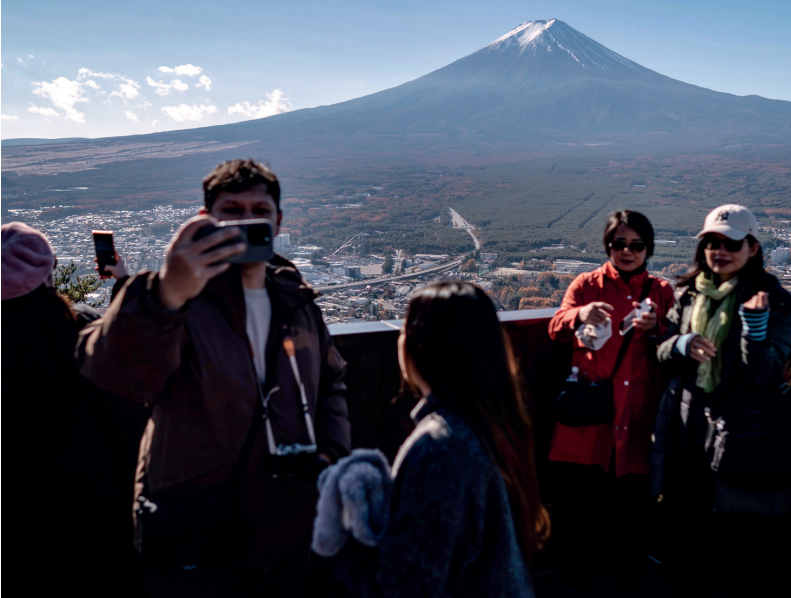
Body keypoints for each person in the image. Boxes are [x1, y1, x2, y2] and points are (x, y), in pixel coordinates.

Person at [77, 159, 351, 597]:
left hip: (287, 530)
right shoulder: (177, 298)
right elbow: (113, 373)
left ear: (278, 221)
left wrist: (330, 455)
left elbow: (332, 380)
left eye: (258, 210)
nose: (247, 222)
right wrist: (166, 293)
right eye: (233, 210)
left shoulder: (298, 303)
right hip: (196, 534)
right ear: (207, 220)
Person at [324, 281, 547, 598]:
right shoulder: (494, 423)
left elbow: (405, 587)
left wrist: (339, 537)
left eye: (404, 329)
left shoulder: (440, 448)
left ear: (420, 346)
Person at [651, 204, 791, 597]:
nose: (719, 250)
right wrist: (681, 343)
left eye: (730, 243)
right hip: (687, 431)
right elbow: (663, 354)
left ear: (752, 247)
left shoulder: (773, 299)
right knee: (686, 522)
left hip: (740, 436)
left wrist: (754, 329)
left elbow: (764, 378)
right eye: (711, 242)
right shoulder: (687, 293)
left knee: (735, 538)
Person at [1, 222, 144, 596]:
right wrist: (124, 285)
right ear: (48, 273)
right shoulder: (82, 332)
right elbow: (130, 352)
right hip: (99, 511)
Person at [546, 210, 675, 591]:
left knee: (629, 519)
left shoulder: (662, 292)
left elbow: (679, 345)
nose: (627, 251)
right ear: (608, 246)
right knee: (582, 517)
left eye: (636, 245)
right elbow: (556, 328)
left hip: (636, 424)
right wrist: (578, 314)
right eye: (619, 244)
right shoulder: (586, 284)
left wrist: (660, 329)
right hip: (590, 423)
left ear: (647, 248)